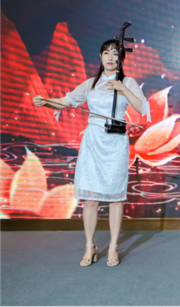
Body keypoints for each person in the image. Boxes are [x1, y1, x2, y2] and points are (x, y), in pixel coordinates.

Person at [33, 39, 150, 266]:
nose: (110, 57)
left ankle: (113, 247)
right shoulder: (90, 84)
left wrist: (123, 88)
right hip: (93, 142)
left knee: (116, 198)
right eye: (106, 53)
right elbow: (66, 101)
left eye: (115, 53)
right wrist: (45, 102)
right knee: (90, 198)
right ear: (100, 56)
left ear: (121, 58)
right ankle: (90, 247)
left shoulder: (128, 82)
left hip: (116, 143)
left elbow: (142, 107)